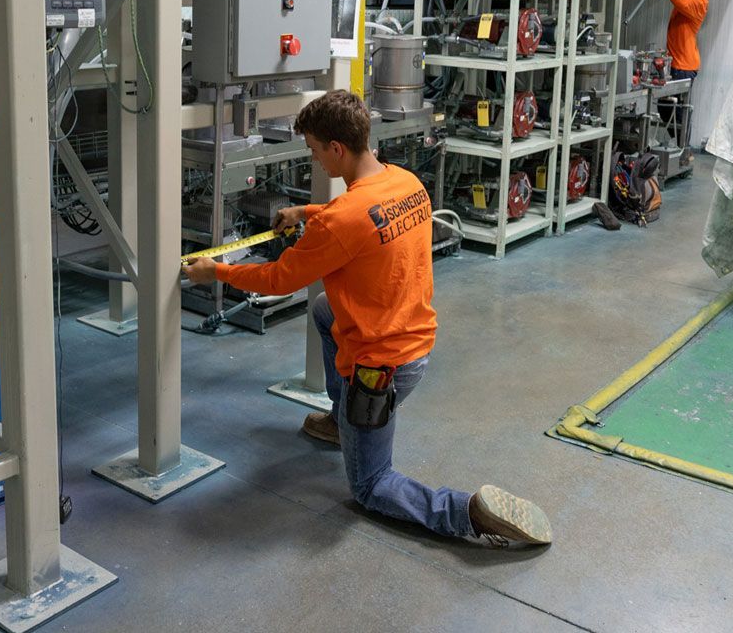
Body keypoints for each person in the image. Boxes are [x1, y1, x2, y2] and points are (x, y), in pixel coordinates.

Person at [183, 90, 552, 549]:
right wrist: (308, 212)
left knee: (371, 485)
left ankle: (467, 511)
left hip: (379, 370)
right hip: (416, 343)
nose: (315, 161)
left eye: (316, 150)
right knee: (324, 311)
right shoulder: (405, 182)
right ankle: (343, 423)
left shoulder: (340, 221)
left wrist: (214, 270)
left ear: (336, 148)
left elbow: (279, 278)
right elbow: (363, 218)